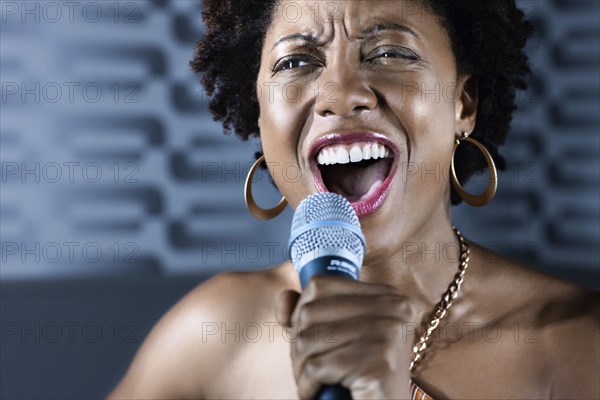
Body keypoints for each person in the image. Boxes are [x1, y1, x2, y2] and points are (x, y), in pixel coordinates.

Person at [108, 1, 600, 398]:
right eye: (296, 62)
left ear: (462, 103)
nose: (339, 93)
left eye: (390, 53)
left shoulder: (576, 345)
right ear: (262, 117)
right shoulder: (215, 333)